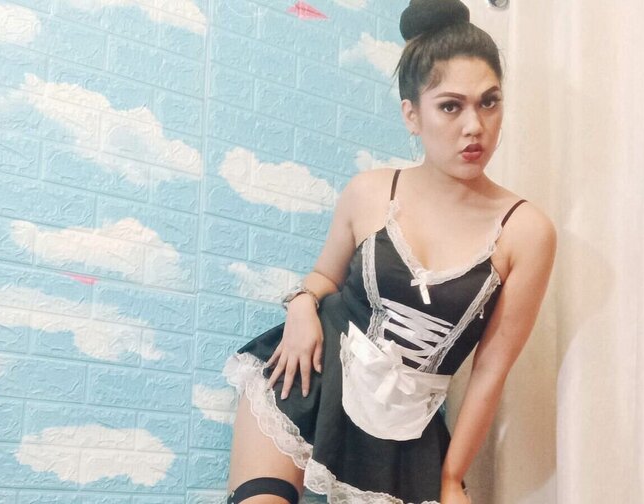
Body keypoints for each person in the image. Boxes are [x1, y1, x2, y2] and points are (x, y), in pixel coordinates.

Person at [221, 0, 556, 502]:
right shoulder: (370, 192)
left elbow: (491, 368)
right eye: (451, 106)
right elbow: (324, 276)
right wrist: (301, 307)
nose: (474, 126)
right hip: (311, 374)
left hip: (407, 426)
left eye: (489, 102)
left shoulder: (526, 231)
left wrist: (451, 475)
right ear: (412, 115)